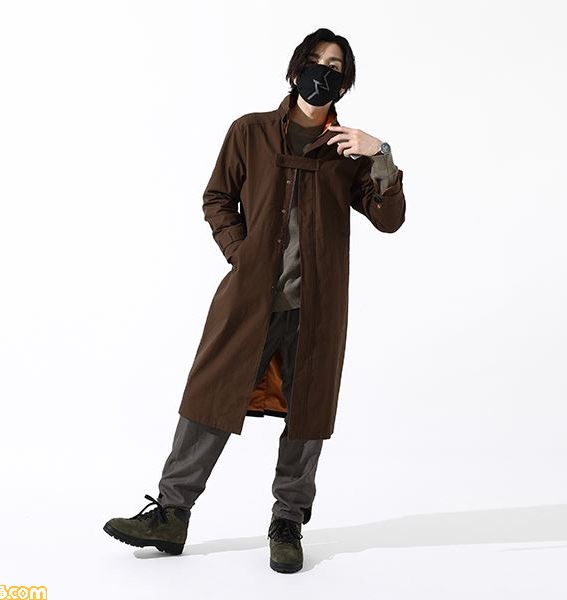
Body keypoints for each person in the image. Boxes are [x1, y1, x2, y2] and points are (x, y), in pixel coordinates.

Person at [103, 27, 406, 574]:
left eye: (335, 67)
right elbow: (217, 196)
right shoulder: (250, 132)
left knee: (309, 411)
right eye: (315, 61)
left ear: (345, 83)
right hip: (248, 301)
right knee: (209, 396)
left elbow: (389, 219)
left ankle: (287, 522)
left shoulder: (348, 152)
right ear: (295, 69)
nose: (323, 72)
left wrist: (380, 154)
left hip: (316, 308)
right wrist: (242, 256)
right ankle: (171, 514)